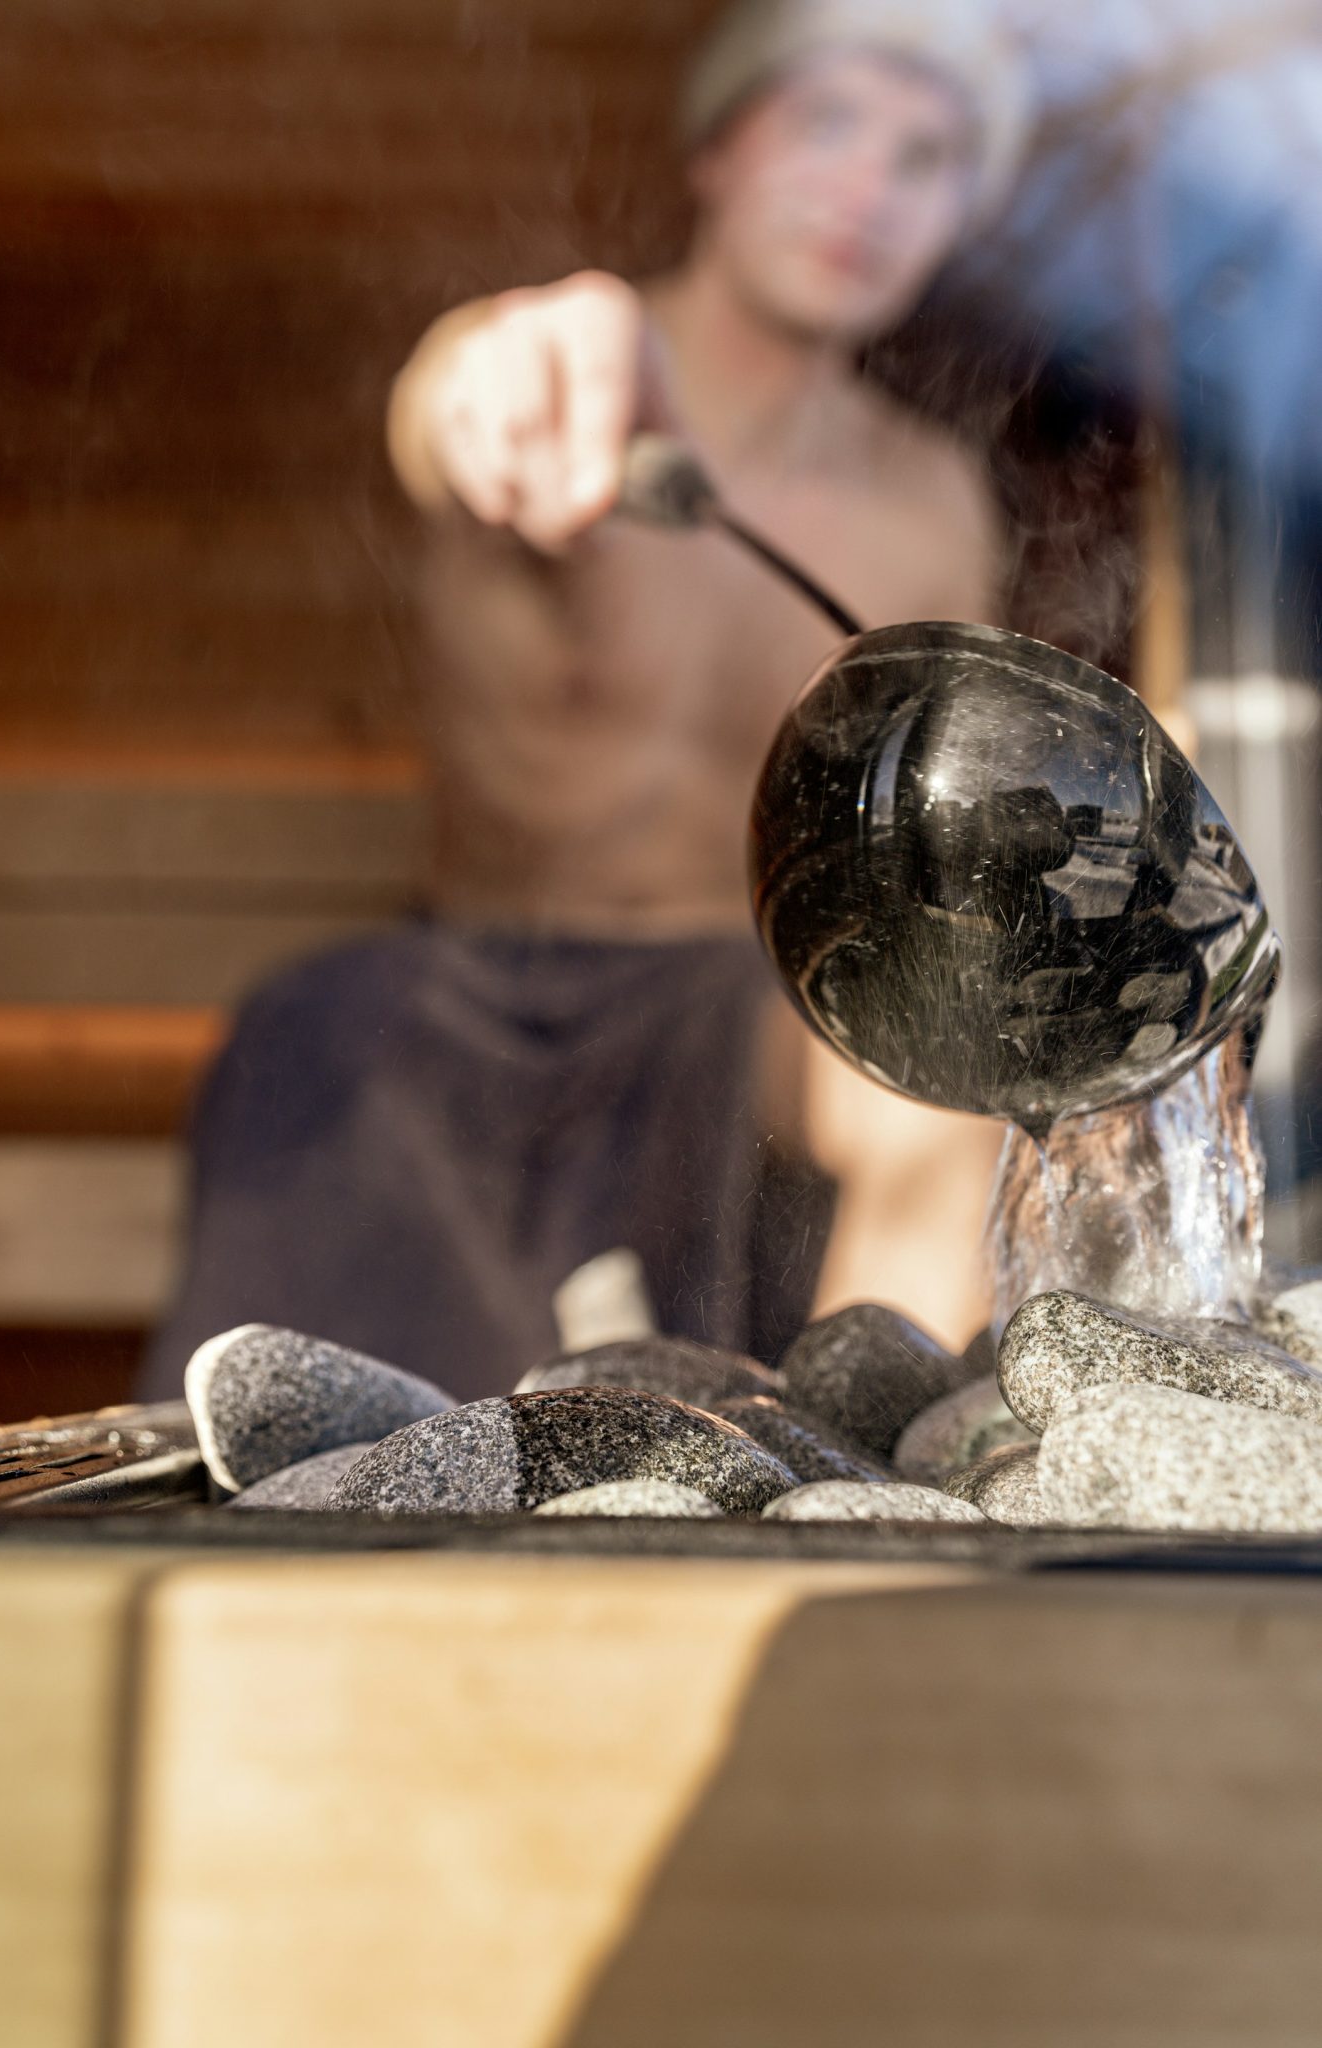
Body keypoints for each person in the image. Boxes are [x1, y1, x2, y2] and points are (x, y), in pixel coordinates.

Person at [143, 0, 1029, 1402]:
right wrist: (499, 373)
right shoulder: (565, 372)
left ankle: (856, 1496)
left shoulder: (929, 502)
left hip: (733, 1013)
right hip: (481, 976)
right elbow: (462, 404)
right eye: (828, 126)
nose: (868, 189)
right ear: (718, 154)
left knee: (949, 1075)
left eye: (924, 161)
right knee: (312, 1020)